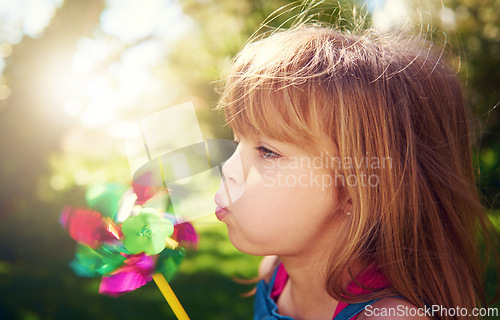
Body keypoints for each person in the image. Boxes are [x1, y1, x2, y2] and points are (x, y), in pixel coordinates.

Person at [213, 25, 498, 320]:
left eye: (267, 151)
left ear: (356, 189)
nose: (229, 169)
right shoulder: (273, 272)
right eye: (237, 141)